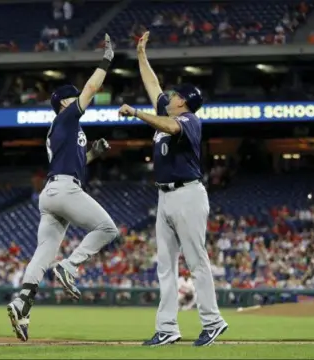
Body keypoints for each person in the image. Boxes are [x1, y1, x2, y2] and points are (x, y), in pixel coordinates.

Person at [118, 31, 228, 347]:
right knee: (165, 266)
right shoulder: (170, 110)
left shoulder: (190, 120)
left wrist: (138, 113)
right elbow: (152, 84)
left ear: (184, 102)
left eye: (176, 95)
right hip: (165, 195)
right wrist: (141, 55)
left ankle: (213, 321)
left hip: (188, 194)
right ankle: (167, 327)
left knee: (196, 260)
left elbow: (168, 126)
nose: (170, 95)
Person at [7, 34, 118, 342]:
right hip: (65, 191)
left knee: (43, 252)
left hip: (54, 191)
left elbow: (76, 162)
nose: (79, 99)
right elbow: (92, 88)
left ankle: (21, 303)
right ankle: (69, 266)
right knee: (108, 230)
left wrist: (94, 152)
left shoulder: (66, 130)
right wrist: (106, 60)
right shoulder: (67, 117)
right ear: (65, 102)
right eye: (74, 97)